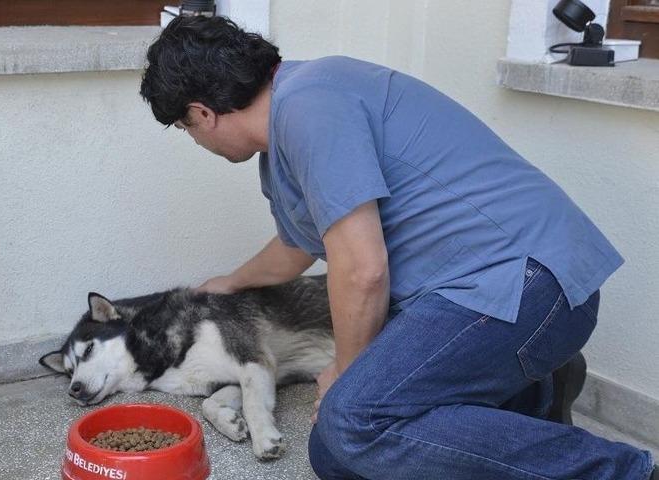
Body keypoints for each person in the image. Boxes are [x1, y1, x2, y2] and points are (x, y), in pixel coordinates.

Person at [139, 15, 657, 480]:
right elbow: (300, 245)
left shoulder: (311, 106)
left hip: (528, 282)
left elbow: (362, 269)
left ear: (201, 113)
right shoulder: (283, 135)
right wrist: (232, 282)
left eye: (186, 128)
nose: (196, 139)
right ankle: (535, 395)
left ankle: (623, 471)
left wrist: (346, 371)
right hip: (474, 294)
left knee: (354, 422)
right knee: (335, 455)